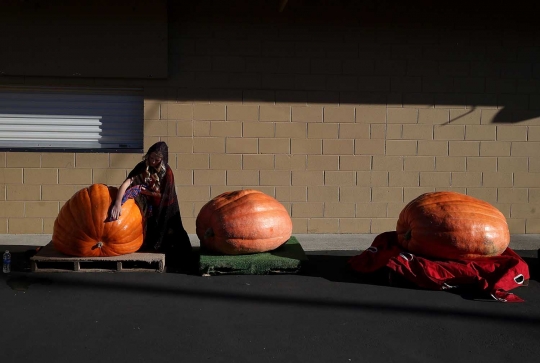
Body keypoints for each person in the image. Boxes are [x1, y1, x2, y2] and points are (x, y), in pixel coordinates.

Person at [109, 141, 192, 265]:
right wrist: (117, 202)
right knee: (151, 230)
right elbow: (127, 183)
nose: (153, 161)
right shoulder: (142, 166)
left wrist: (148, 192)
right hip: (151, 206)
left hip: (166, 207)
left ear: (162, 160)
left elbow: (166, 195)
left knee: (171, 233)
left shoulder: (167, 173)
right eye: (151, 157)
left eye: (156, 159)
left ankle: (178, 262)